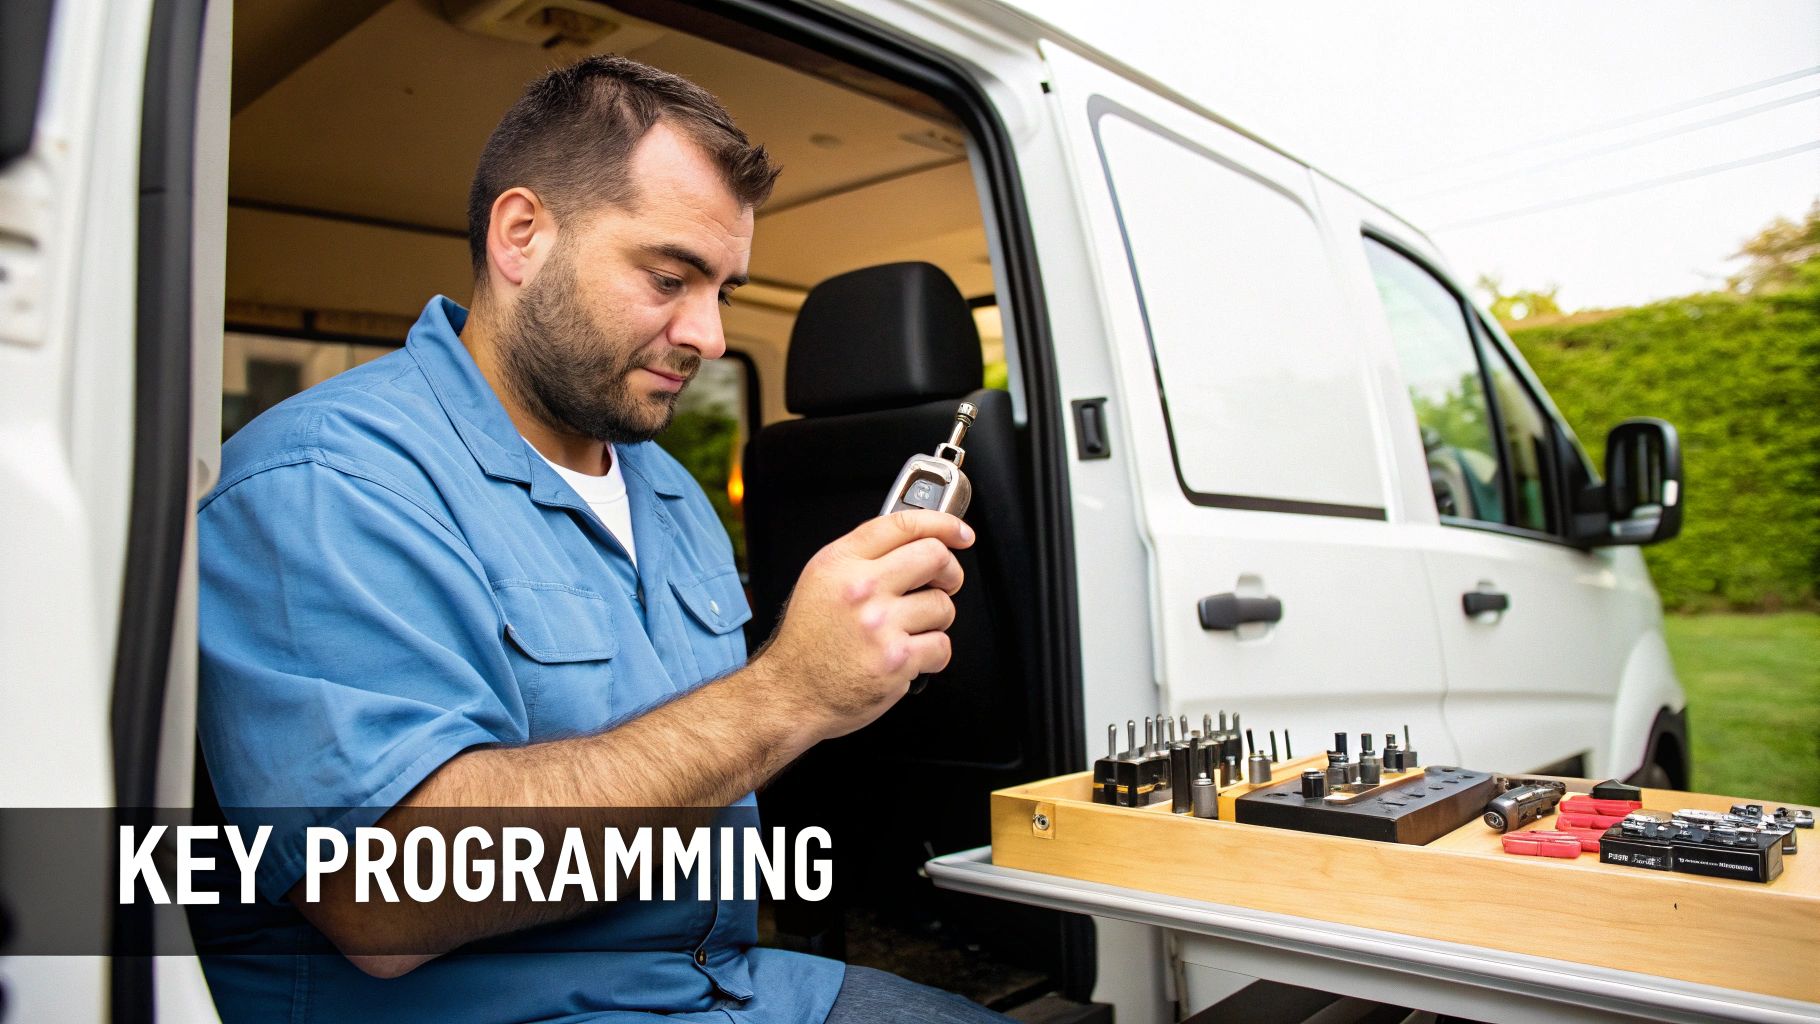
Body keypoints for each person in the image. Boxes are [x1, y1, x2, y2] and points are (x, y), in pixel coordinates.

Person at [196, 54, 1010, 1023]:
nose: (708, 334)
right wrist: (786, 690)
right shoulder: (323, 482)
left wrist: (837, 681)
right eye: (670, 276)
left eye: (724, 290)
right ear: (521, 235)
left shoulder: (668, 493)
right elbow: (382, 895)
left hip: (724, 985)